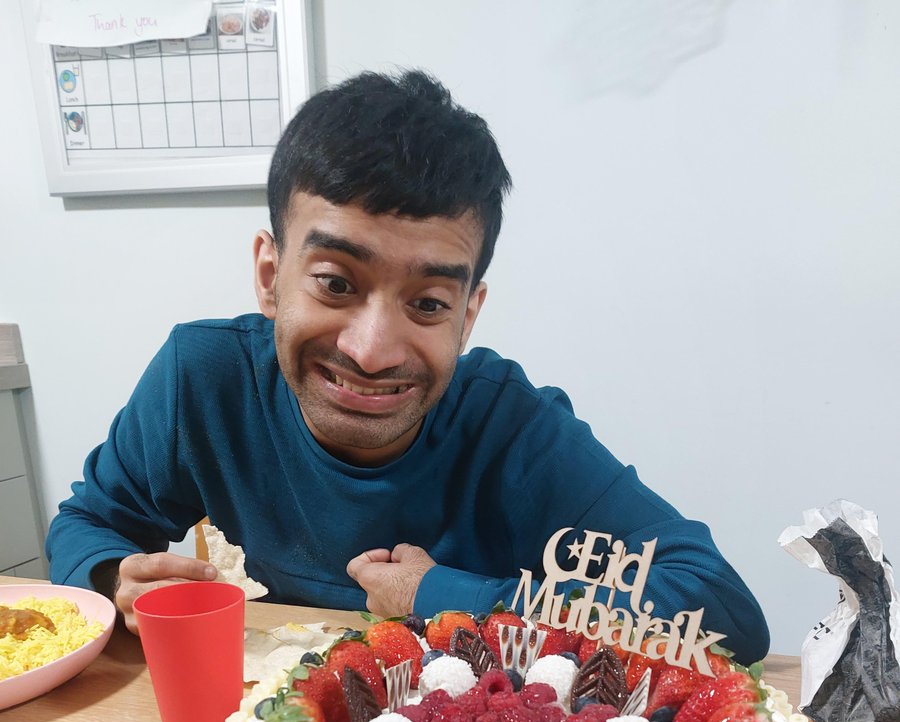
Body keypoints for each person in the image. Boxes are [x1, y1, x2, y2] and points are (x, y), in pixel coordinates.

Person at [46, 69, 770, 663]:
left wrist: (444, 595)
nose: (370, 350)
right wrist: (114, 579)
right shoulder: (202, 378)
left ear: (469, 314)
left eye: (427, 303)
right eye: (334, 283)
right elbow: (87, 523)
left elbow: (722, 612)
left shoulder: (513, 428)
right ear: (270, 275)